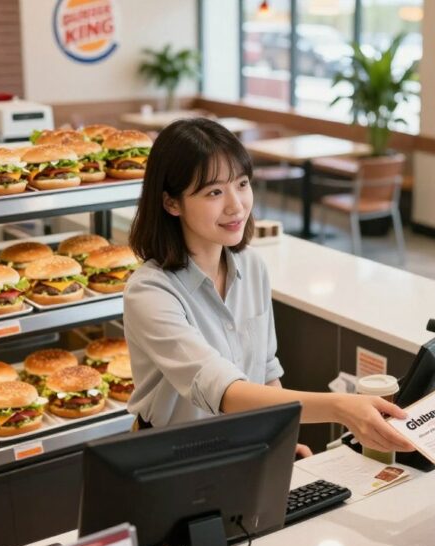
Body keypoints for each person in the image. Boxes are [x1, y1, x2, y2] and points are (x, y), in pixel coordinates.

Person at [124, 118, 413, 457]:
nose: (236, 205)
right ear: (172, 203)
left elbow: (265, 370)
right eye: (214, 192)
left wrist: (279, 438)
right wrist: (341, 407)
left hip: (244, 450)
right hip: (173, 461)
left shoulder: (251, 266)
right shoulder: (150, 293)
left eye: (242, 184)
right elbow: (225, 391)